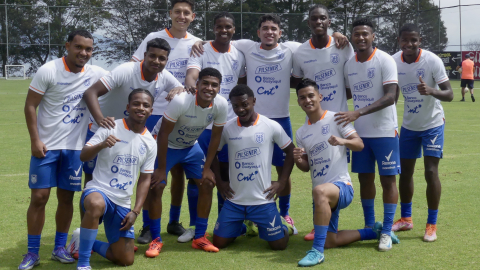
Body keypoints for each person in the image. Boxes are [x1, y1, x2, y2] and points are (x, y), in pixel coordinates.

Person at [20, 29, 107, 270]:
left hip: (74, 149)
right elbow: (30, 106)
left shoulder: (97, 73)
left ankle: (60, 247)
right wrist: (34, 140)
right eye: (78, 47)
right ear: (67, 46)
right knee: (39, 197)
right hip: (46, 146)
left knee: (66, 198)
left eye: (88, 49)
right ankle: (32, 252)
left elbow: (124, 78)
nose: (84, 53)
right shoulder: (49, 70)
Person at [293, 79, 395, 266]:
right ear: (298, 101)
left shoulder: (336, 118)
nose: (307, 100)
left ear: (319, 96)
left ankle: (317, 252)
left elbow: (359, 144)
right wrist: (298, 159)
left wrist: (342, 141)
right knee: (331, 241)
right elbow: (306, 167)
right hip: (322, 196)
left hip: (342, 187)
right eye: (302, 98)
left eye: (310, 95)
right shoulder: (301, 132)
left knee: (319, 192)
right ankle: (375, 232)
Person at [131, 0, 202, 242]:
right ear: (170, 14)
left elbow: (194, 74)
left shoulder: (196, 43)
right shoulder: (154, 36)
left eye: (186, 13)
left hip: (180, 114)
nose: (181, 16)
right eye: (177, 12)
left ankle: (173, 221)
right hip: (150, 114)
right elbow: (134, 66)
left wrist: (181, 89)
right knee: (150, 173)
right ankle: (148, 226)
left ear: (193, 16)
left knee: (179, 172)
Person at [145, 67, 228, 257]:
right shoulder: (182, 100)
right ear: (197, 85)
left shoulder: (221, 105)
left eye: (214, 85)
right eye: (205, 83)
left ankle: (199, 237)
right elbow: (164, 134)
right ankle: (156, 240)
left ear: (219, 88)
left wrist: (207, 168)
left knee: (207, 182)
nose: (209, 88)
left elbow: (215, 138)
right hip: (164, 144)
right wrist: (161, 168)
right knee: (157, 186)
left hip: (191, 146)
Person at [291, 4, 355, 241]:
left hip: (338, 121)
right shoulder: (299, 53)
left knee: (335, 174)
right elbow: (298, 83)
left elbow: (351, 82)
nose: (318, 22)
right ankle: (323, 225)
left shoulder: (343, 46)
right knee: (318, 170)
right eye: (314, 19)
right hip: (315, 123)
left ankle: (325, 225)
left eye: (323, 18)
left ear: (329, 22)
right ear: (308, 23)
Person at [74, 89, 157, 270]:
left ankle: (82, 239)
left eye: (145, 105)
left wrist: (135, 211)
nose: (140, 108)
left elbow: (144, 180)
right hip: (98, 191)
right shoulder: (110, 126)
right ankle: (83, 263)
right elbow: (83, 156)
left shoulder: (150, 142)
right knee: (96, 204)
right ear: (128, 107)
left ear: (151, 110)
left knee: (125, 259)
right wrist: (102, 145)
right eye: (136, 103)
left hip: (122, 202)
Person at [183, 11, 248, 241]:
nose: (224, 30)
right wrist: (192, 88)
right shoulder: (200, 49)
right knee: (198, 177)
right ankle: (193, 225)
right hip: (202, 125)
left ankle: (225, 222)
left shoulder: (239, 54)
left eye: (228, 27)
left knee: (226, 176)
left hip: (229, 125)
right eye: (219, 26)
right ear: (213, 28)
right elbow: (192, 75)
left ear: (233, 30)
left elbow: (241, 85)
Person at [338, 18, 400, 251]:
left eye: (365, 34)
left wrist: (358, 112)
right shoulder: (349, 64)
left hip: (384, 131)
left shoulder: (385, 59)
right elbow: (347, 93)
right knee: (365, 179)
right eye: (357, 34)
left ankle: (385, 231)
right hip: (360, 134)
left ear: (373, 36)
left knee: (387, 180)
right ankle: (369, 227)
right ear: (352, 38)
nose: (361, 38)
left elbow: (391, 96)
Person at [212, 84, 295, 250]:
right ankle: (242, 226)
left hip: (262, 200)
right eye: (235, 105)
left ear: (253, 101)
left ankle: (284, 226)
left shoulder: (270, 125)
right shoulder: (227, 127)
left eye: (245, 104)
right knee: (218, 243)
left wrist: (282, 182)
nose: (240, 109)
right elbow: (213, 153)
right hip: (234, 200)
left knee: (278, 245)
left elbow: (291, 151)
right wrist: (220, 182)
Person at [392, 24, 454, 242]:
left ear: (420, 41)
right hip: (409, 125)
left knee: (430, 172)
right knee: (405, 172)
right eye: (405, 40)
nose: (409, 44)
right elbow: (392, 94)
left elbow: (449, 94)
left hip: (433, 124)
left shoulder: (432, 61)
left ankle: (431, 224)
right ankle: (406, 219)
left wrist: (431, 90)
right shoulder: (394, 61)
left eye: (414, 40)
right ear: (399, 41)